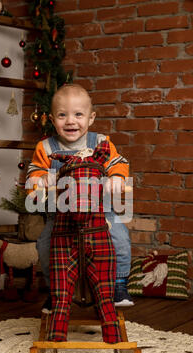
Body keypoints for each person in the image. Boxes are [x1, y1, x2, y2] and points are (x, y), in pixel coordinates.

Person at [25, 83, 134, 312]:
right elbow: (33, 173)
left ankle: (118, 284)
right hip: (61, 216)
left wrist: (116, 178)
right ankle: (55, 290)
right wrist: (41, 180)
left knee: (120, 236)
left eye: (78, 114)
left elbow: (118, 164)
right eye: (62, 115)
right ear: (53, 119)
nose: (71, 121)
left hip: (100, 213)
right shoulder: (45, 147)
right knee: (45, 244)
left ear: (91, 118)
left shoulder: (101, 143)